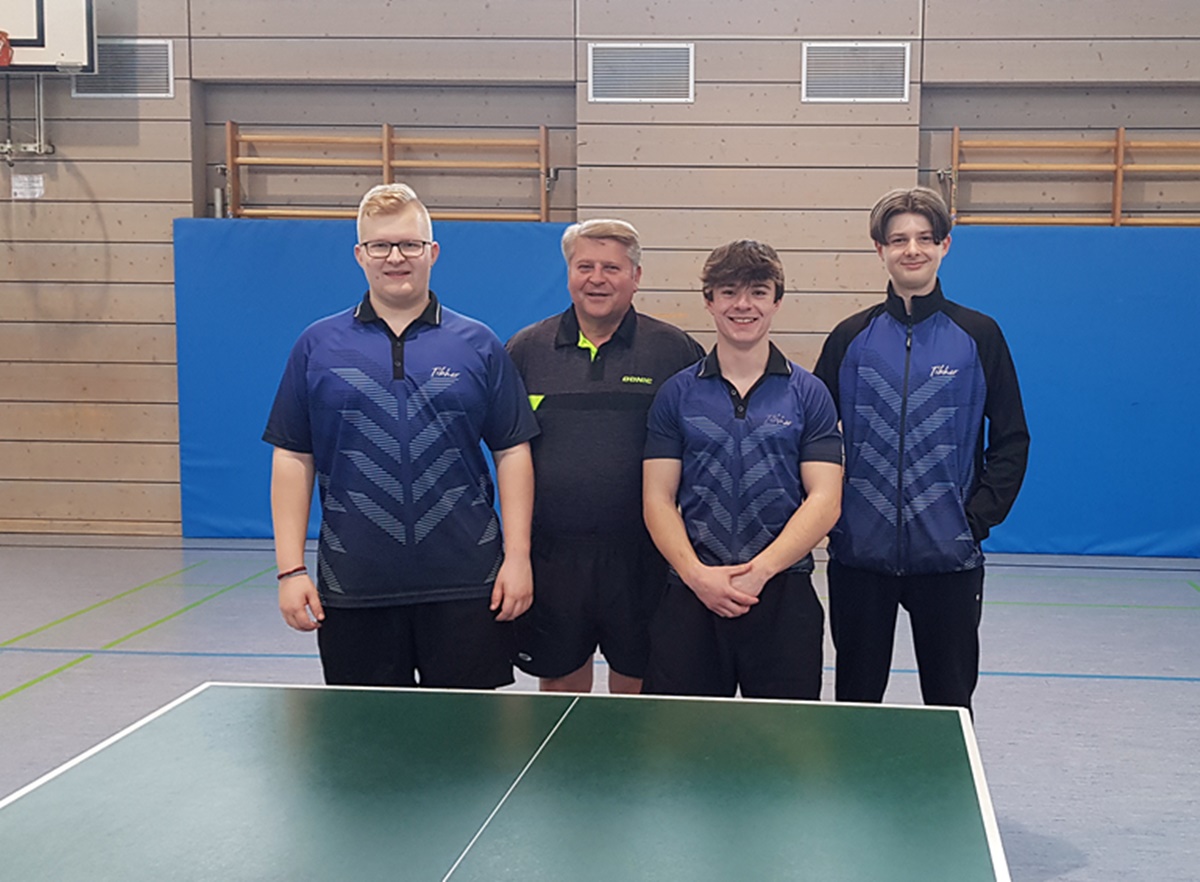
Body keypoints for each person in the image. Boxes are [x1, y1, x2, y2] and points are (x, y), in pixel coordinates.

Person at [263, 182, 538, 689]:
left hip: (467, 585)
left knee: (472, 735)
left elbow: (512, 451)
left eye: (410, 244)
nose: (396, 257)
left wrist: (518, 558)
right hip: (354, 586)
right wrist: (289, 570)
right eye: (381, 245)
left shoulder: (478, 344)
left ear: (432, 252)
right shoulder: (317, 345)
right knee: (366, 736)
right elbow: (293, 458)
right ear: (359, 255)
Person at [813, 186, 1030, 712]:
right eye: (898, 240)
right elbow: (812, 440)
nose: (912, 249)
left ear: (944, 246)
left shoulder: (979, 335)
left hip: (948, 559)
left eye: (925, 238)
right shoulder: (850, 338)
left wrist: (973, 520)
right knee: (857, 703)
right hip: (859, 559)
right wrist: (833, 517)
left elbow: (1011, 438)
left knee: (950, 704)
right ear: (880, 249)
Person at [506, 219, 704, 694]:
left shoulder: (674, 351)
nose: (597, 279)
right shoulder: (526, 350)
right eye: (585, 267)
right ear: (569, 274)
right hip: (553, 558)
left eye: (611, 268)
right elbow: (508, 451)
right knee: (561, 686)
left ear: (636, 277)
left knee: (638, 689)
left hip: (644, 559)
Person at [641, 239, 843, 699]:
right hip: (691, 594)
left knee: (781, 739)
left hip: (783, 594)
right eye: (729, 292)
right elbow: (657, 498)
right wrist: (697, 576)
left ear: (777, 301)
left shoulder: (809, 394)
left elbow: (825, 499)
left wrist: (761, 571)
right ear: (709, 301)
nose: (743, 305)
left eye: (757, 291)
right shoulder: (676, 394)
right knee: (684, 736)